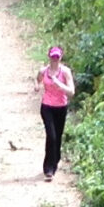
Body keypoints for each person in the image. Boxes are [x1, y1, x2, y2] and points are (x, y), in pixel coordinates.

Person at [35, 47, 74, 180]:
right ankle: (48, 168)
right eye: (53, 57)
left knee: (58, 136)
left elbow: (71, 91)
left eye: (57, 57)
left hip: (61, 107)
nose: (55, 60)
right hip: (47, 106)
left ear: (60, 58)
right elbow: (38, 79)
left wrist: (58, 83)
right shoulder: (43, 71)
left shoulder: (65, 72)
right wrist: (37, 86)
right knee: (51, 136)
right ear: (49, 57)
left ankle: (55, 160)